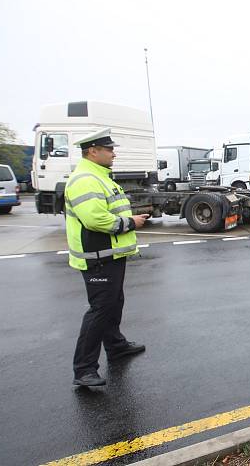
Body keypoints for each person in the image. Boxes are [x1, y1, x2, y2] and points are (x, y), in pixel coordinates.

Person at [64, 128, 150, 387]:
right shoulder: (85, 179)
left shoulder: (99, 176)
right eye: (109, 149)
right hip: (97, 256)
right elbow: (95, 219)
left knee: (114, 302)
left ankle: (115, 346)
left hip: (110, 254)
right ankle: (84, 369)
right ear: (93, 151)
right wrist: (131, 222)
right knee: (100, 310)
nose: (114, 153)